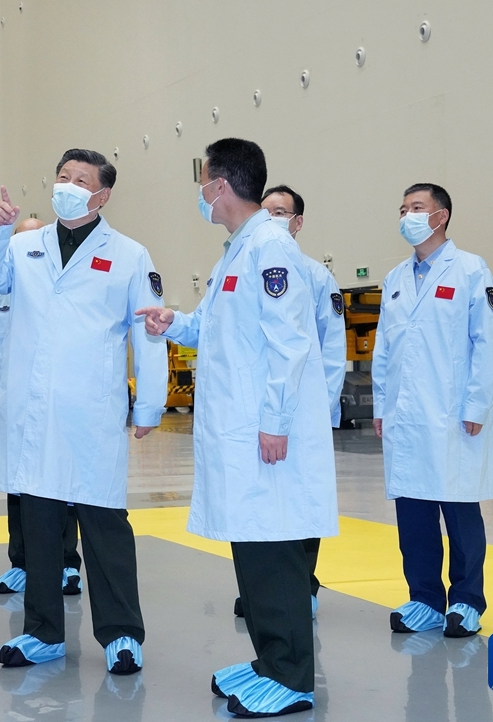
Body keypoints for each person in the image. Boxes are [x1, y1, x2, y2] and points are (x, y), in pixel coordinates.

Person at [137, 138, 338, 718]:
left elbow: (290, 342)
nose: (201, 192)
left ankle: (291, 676)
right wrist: (174, 322)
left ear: (220, 185)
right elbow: (216, 328)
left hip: (265, 435)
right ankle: (269, 660)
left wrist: (275, 423)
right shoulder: (237, 250)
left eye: (204, 181)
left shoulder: (270, 246)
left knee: (273, 552)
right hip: (241, 433)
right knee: (253, 549)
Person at [0, 149, 168, 675]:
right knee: (39, 528)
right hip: (36, 411)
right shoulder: (23, 246)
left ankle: (121, 634)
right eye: (64, 177)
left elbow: (148, 330)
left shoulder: (129, 254)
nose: (70, 187)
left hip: (91, 411)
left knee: (104, 525)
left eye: (82, 180)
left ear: (103, 195)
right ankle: (43, 632)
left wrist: (150, 404)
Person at [372, 183, 493, 638]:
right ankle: (424, 599)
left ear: (440, 216)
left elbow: (487, 343)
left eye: (416, 207)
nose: (406, 215)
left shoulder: (470, 270)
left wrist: (477, 404)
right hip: (405, 416)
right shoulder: (395, 278)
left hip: (452, 415)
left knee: (460, 511)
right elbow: (384, 349)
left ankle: (466, 600)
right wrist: (381, 404)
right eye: (402, 208)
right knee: (413, 513)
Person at [227, 185, 346, 619]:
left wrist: (322, 411)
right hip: (263, 410)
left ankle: (302, 588)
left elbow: (331, 351)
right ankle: (264, 592)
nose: (272, 218)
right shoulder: (245, 259)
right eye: (267, 211)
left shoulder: (315, 276)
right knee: (264, 504)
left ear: (297, 223)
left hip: (301, 411)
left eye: (281, 212)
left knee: (300, 506)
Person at [0, 217, 83, 597]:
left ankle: (67, 563)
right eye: (20, 238)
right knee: (17, 486)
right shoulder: (1, 291)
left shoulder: (62, 285)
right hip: (14, 402)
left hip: (58, 402)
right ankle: (21, 564)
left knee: (61, 485)